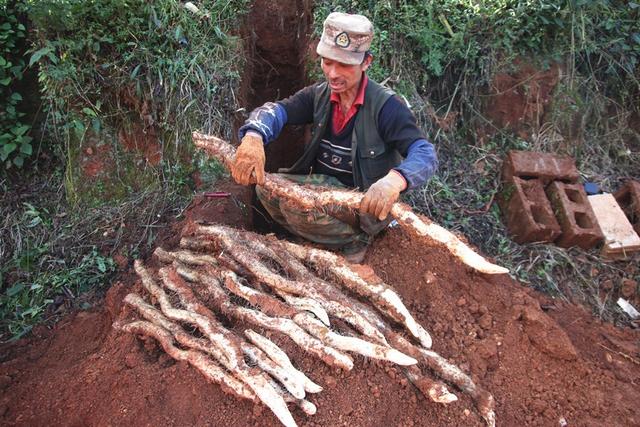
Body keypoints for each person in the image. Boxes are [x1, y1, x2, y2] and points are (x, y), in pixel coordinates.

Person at [231, 12, 438, 263]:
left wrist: (395, 180)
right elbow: (277, 110)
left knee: (300, 208)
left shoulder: (386, 107)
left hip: (362, 206)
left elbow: (425, 152)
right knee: (267, 189)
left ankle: (355, 241)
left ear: (366, 62)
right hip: (322, 191)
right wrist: (254, 135)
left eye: (344, 65)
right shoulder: (318, 96)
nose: (332, 73)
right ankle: (316, 238)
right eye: (327, 62)